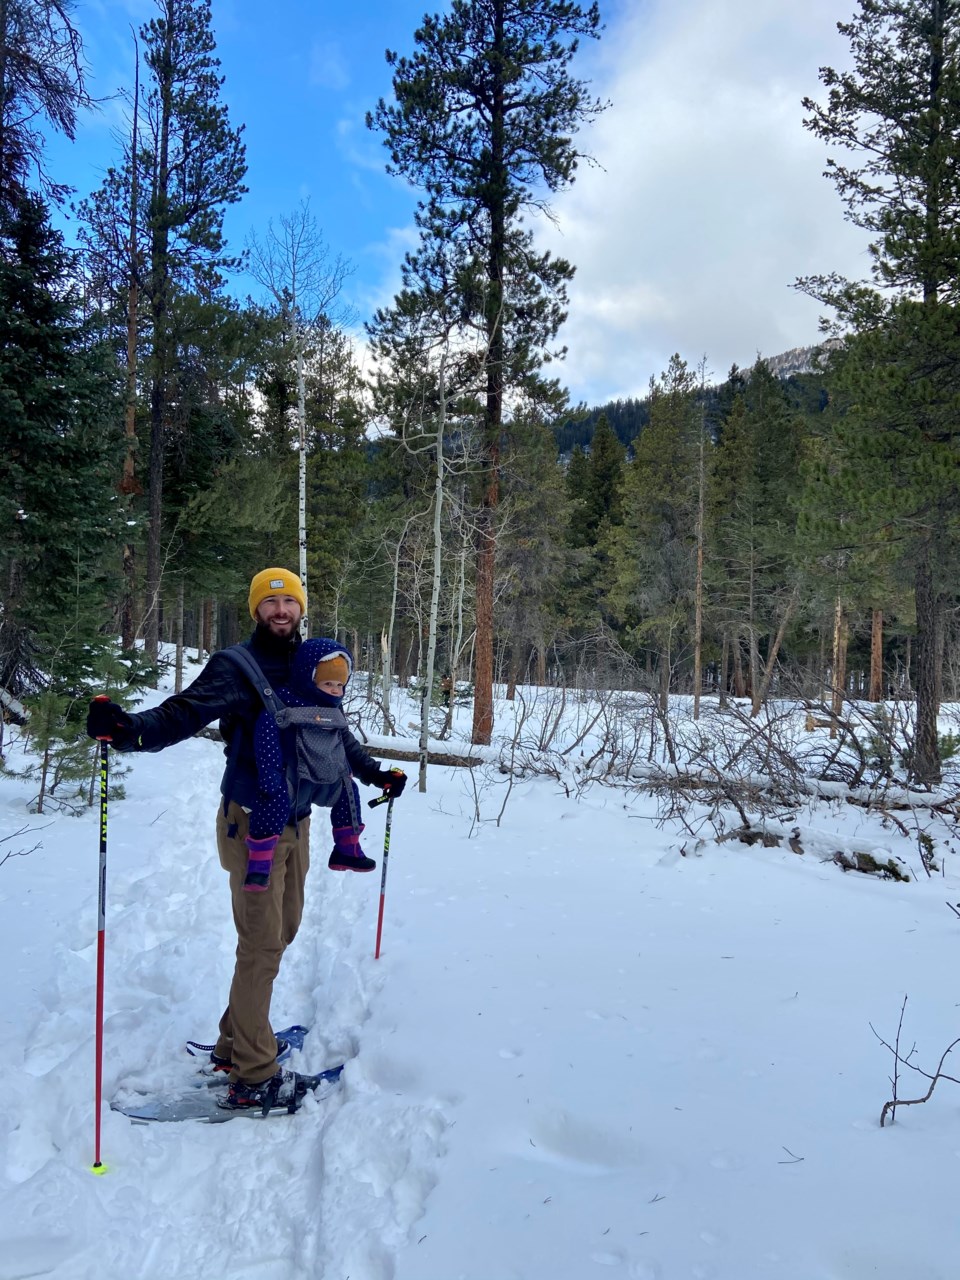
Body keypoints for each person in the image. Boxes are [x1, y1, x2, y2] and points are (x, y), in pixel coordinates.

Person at [86, 567, 407, 1112]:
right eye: (270, 602)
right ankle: (254, 1074)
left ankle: (238, 1041)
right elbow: (184, 713)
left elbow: (336, 736)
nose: (281, 611)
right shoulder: (236, 667)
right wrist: (128, 731)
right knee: (260, 945)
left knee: (281, 932)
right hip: (252, 822)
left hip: (300, 822)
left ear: (301, 608)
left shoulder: (317, 664)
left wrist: (375, 775)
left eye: (289, 602)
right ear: (256, 609)